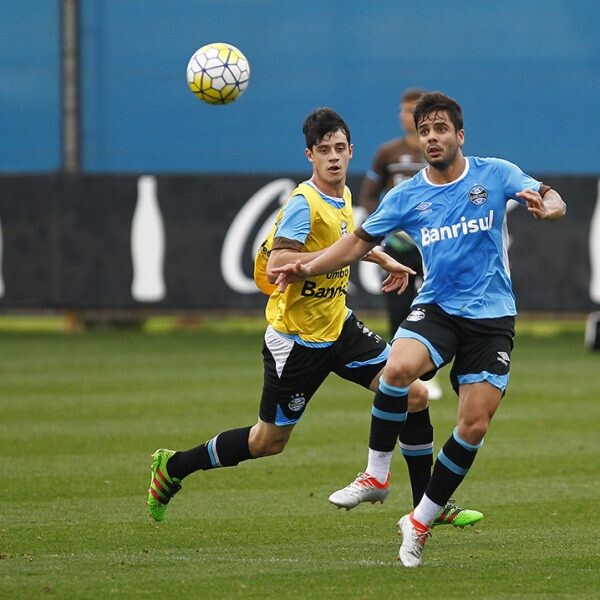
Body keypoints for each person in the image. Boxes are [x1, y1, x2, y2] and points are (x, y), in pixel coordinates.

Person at [147, 107, 481, 532]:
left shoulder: (340, 195)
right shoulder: (304, 203)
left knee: (412, 393)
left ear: (350, 150)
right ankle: (174, 466)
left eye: (340, 148)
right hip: (298, 341)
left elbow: (344, 243)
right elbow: (278, 264)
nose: (334, 157)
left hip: (338, 326)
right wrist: (321, 262)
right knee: (267, 441)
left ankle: (429, 507)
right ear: (310, 156)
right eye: (324, 151)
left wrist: (382, 257)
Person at [273, 92, 566, 567]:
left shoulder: (494, 173)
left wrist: (551, 207)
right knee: (397, 370)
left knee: (473, 425)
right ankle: (375, 475)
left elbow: (549, 194)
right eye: (425, 130)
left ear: (459, 136)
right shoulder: (406, 194)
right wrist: (304, 267)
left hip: (492, 319)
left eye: (440, 130)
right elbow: (353, 244)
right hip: (438, 308)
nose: (432, 138)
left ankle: (420, 520)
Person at [359, 87, 443, 400]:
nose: (407, 117)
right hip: (399, 245)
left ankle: (430, 370)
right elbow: (369, 192)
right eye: (404, 110)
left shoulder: (438, 149)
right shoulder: (388, 153)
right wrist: (384, 224)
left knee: (436, 306)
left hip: (434, 242)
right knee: (398, 306)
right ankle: (403, 372)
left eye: (413, 111)